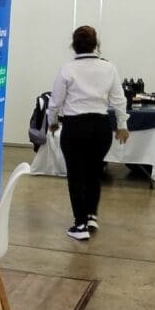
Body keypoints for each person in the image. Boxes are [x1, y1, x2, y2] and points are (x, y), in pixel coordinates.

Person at [48, 26, 129, 241]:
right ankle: (91, 215)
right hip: (101, 126)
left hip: (75, 126)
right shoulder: (109, 68)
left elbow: (55, 102)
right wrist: (122, 125)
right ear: (96, 45)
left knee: (76, 176)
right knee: (94, 172)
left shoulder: (67, 69)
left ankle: (80, 224)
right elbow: (119, 99)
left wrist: (52, 122)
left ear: (73, 45)